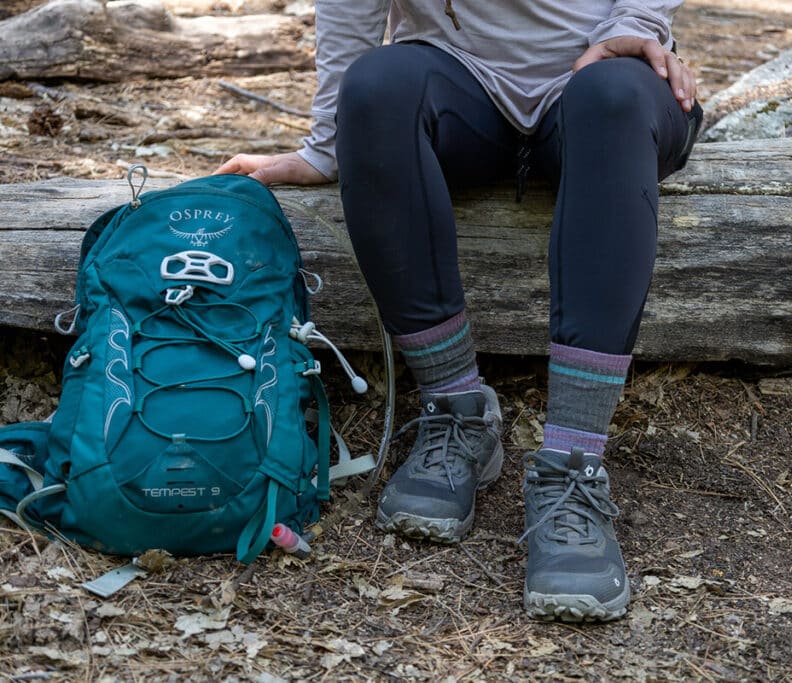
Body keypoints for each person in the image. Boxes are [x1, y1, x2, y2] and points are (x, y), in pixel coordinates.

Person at [216, 0, 702, 622]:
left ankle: (574, 466)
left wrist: (632, 28)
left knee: (610, 96)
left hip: (610, 85)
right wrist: (326, 146)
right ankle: (458, 411)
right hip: (460, 87)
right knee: (376, 86)